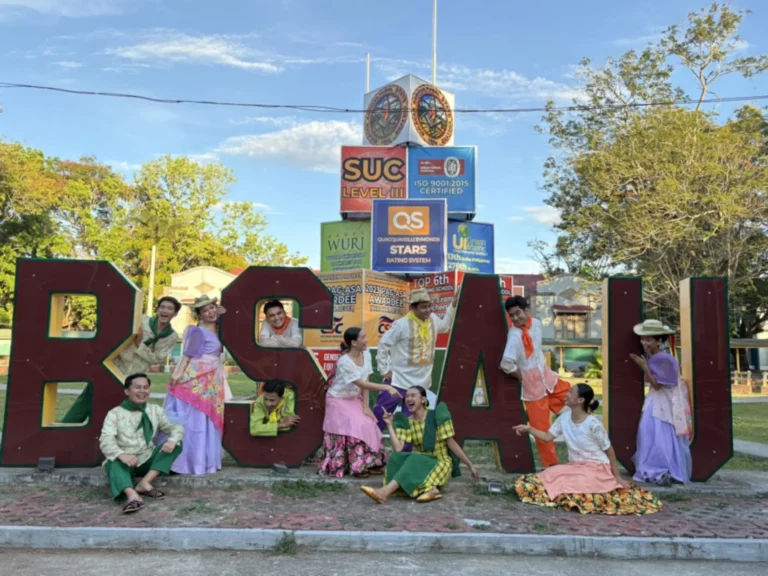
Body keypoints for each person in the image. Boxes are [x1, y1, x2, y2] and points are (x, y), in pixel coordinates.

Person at [513, 383, 662, 515]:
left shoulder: (593, 424)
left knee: (573, 482)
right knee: (549, 474)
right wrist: (529, 429)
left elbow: (609, 449)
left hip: (597, 468)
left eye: (571, 392)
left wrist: (617, 477)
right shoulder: (564, 419)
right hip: (576, 466)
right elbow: (546, 437)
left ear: (580, 400)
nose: (567, 394)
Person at [62, 296, 181, 423]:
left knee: (124, 409)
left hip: (136, 374)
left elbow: (157, 359)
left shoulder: (172, 336)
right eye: (162, 307)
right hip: (115, 365)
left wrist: (140, 344)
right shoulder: (141, 320)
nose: (165, 311)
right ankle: (64, 429)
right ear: (157, 310)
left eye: (169, 308)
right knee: (89, 397)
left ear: (175, 313)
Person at [361, 386, 480, 504]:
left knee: (415, 458)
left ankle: (384, 493)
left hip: (439, 461)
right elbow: (398, 448)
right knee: (396, 458)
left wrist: (470, 465)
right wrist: (390, 425)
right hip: (419, 461)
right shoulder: (407, 421)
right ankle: (431, 490)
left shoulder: (435, 416)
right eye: (407, 396)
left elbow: (451, 443)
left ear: (423, 400)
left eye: (413, 395)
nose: (408, 399)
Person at [500, 295, 571, 467]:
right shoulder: (514, 336)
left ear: (526, 310)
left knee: (574, 397)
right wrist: (520, 375)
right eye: (512, 316)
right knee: (541, 428)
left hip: (547, 377)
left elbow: (537, 349)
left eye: (518, 313)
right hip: (531, 387)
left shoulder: (537, 324)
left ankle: (587, 441)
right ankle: (551, 465)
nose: (516, 318)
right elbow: (505, 364)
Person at [162, 295, 230, 475]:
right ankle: (188, 461)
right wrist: (177, 375)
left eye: (212, 308)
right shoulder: (197, 331)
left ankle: (203, 461)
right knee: (195, 418)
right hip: (197, 376)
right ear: (199, 314)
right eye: (205, 310)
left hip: (213, 379)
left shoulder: (220, 328)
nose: (210, 312)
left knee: (207, 418)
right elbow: (187, 356)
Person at [318, 327, 399, 478]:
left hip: (354, 398)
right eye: (363, 337)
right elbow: (361, 383)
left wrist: (366, 406)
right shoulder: (344, 362)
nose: (366, 340)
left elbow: (366, 378)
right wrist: (386, 387)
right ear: (354, 342)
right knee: (356, 426)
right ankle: (357, 465)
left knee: (369, 423)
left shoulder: (366, 354)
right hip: (338, 399)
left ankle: (371, 462)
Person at [99, 373, 184, 514]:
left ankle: (145, 483)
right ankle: (132, 496)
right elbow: (105, 440)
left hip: (146, 459)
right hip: (124, 462)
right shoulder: (115, 413)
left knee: (177, 444)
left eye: (146, 387)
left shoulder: (154, 410)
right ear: (127, 391)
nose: (143, 391)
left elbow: (175, 427)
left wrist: (172, 440)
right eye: (138, 387)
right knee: (112, 461)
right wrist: (121, 455)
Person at [374, 287, 458, 429]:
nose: (428, 310)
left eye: (429, 306)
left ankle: (406, 450)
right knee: (380, 415)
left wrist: (453, 305)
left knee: (411, 423)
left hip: (420, 383)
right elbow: (383, 344)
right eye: (424, 307)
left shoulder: (433, 320)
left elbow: (446, 326)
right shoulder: (401, 324)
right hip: (398, 381)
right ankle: (369, 447)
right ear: (413, 308)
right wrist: (384, 370)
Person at [630, 319, 693, 486]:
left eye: (649, 339)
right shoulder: (657, 357)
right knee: (649, 432)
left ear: (659, 340)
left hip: (661, 401)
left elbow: (658, 386)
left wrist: (644, 366)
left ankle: (661, 469)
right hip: (654, 399)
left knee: (657, 432)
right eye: (643, 339)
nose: (644, 342)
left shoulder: (665, 359)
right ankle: (654, 468)